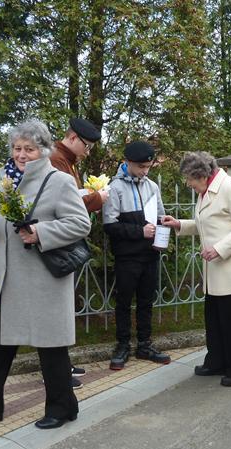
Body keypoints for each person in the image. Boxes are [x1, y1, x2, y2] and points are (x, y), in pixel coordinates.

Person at [0, 119, 91, 430]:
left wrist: (40, 232)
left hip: (45, 281)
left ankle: (62, 408)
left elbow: (80, 224)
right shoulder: (6, 181)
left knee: (51, 348)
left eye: (29, 149)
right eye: (17, 148)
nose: (21, 154)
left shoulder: (59, 181)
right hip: (11, 281)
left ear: (43, 150)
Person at [161, 151, 231, 386]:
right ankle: (216, 362)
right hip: (214, 270)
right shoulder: (206, 191)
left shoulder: (230, 188)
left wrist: (219, 248)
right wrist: (179, 224)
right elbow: (207, 223)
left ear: (202, 175)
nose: (188, 184)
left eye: (189, 179)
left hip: (230, 269)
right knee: (214, 320)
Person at [49, 117, 109, 388]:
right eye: (87, 146)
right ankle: (56, 371)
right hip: (58, 244)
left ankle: (62, 364)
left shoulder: (67, 160)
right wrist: (98, 199)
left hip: (64, 242)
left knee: (63, 307)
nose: (88, 152)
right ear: (73, 138)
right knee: (56, 310)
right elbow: (67, 202)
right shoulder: (56, 160)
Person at [103, 140, 170, 370]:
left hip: (150, 255)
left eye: (148, 167)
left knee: (146, 301)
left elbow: (160, 218)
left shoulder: (152, 186)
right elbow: (110, 225)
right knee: (123, 302)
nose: (145, 171)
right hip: (127, 256)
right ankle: (122, 345)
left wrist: (161, 239)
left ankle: (144, 344)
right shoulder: (115, 187)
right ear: (128, 162)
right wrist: (139, 232)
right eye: (141, 167)